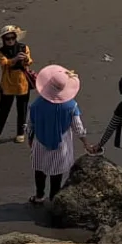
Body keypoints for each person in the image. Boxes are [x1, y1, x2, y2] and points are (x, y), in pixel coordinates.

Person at [27, 65, 90, 205]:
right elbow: (77, 127)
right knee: (56, 173)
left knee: (40, 170)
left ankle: (39, 196)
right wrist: (85, 143)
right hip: (61, 144)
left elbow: (30, 125)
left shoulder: (36, 105)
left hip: (40, 141)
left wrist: (30, 139)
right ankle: (54, 198)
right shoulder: (70, 106)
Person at [0, 26, 34, 144]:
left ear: (15, 38)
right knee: (3, 109)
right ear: (3, 40)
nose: (10, 41)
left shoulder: (23, 47)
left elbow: (29, 61)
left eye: (12, 38)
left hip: (22, 83)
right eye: (7, 38)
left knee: (22, 110)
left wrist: (25, 59)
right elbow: (4, 63)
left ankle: (20, 133)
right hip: (7, 83)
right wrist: (14, 59)